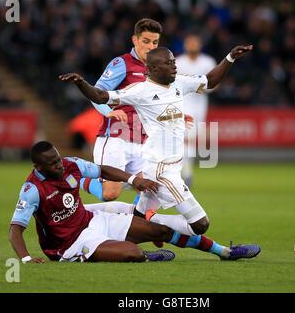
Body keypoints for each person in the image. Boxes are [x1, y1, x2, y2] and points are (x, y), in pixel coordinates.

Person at [59, 44, 256, 245]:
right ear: (153, 69)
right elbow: (101, 96)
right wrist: (81, 83)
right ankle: (152, 219)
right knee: (200, 225)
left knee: (135, 216)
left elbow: (210, 81)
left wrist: (230, 57)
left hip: (167, 165)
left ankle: (106, 230)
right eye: (168, 63)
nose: (174, 66)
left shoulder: (180, 82)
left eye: (174, 62)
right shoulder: (140, 90)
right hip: (162, 171)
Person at [9, 141, 261, 263]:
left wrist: (133, 180)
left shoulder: (70, 165)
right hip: (69, 244)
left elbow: (103, 170)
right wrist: (26, 259)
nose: (58, 165)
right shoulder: (32, 189)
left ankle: (224, 252)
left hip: (91, 219)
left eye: (58, 159)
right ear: (38, 167)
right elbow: (15, 230)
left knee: (161, 230)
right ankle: (147, 255)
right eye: (52, 163)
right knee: (134, 253)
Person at [83, 18, 194, 204]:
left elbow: (155, 103)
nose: (151, 46)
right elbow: (96, 93)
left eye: (155, 42)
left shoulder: (157, 70)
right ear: (135, 40)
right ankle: (78, 176)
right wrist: (107, 111)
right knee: (110, 194)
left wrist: (177, 115)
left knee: (152, 188)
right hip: (116, 137)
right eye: (146, 41)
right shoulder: (122, 64)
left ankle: (136, 223)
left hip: (143, 141)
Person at [175, 33, 217, 187]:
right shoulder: (178, 62)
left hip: (200, 105)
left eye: (195, 42)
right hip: (182, 104)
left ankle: (186, 172)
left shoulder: (208, 62)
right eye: (189, 42)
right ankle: (184, 173)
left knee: (190, 141)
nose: (192, 45)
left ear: (200, 44)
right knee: (183, 139)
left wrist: (204, 88)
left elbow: (215, 82)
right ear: (185, 45)